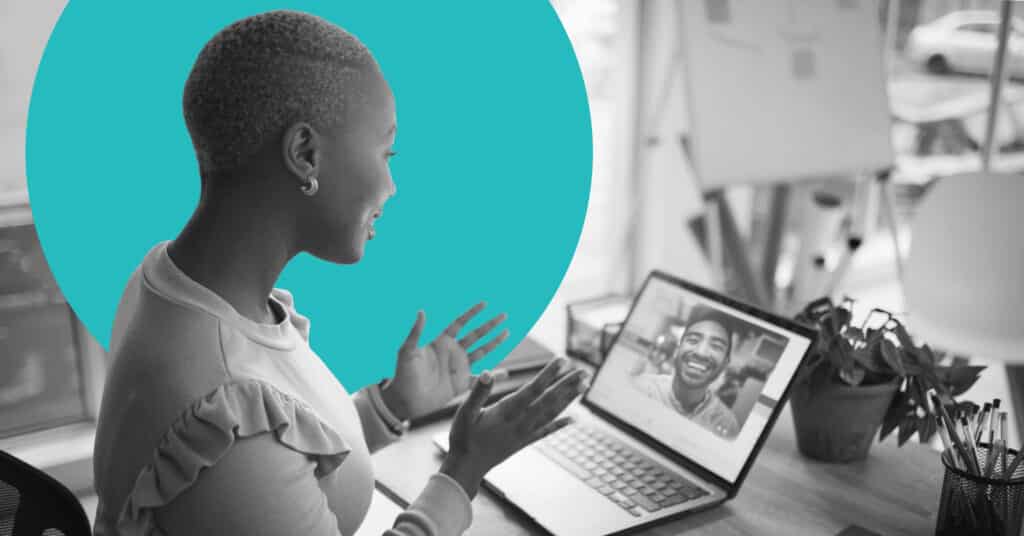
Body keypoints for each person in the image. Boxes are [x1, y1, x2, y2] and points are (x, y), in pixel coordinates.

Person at [92, 11, 587, 536]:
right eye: (386, 152)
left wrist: (391, 405)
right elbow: (249, 453)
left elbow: (283, 456)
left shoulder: (168, 282)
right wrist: (465, 468)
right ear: (306, 153)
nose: (393, 185)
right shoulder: (223, 407)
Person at [628, 306, 740, 438]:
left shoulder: (727, 423)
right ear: (678, 350)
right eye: (693, 340)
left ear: (724, 364)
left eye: (716, 346)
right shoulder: (639, 387)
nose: (701, 353)